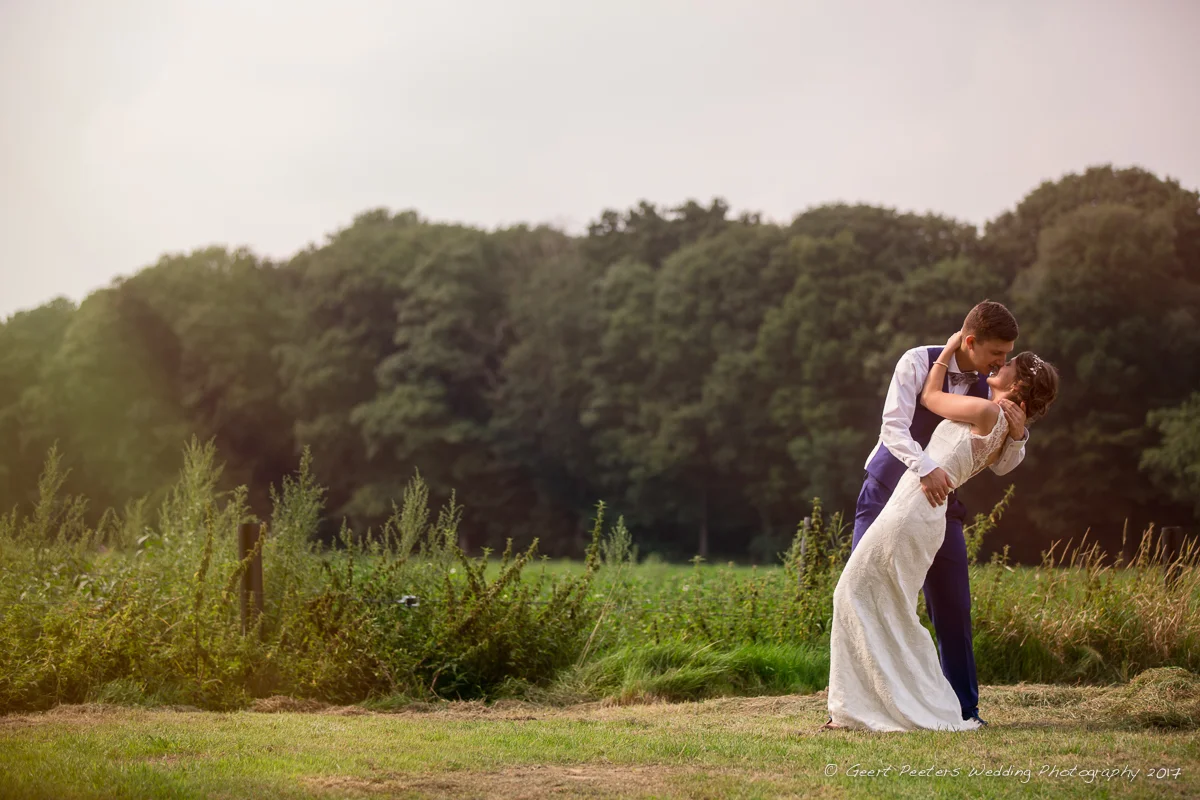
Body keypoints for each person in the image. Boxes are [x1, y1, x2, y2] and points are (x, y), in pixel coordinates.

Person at [823, 318, 1059, 731]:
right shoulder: (918, 360)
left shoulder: (992, 397)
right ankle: (855, 706)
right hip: (887, 491)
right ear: (972, 341)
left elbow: (1000, 463)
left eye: (1006, 359)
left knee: (951, 606)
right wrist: (926, 466)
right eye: (997, 354)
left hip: (934, 503)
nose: (998, 363)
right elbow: (893, 429)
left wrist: (1019, 439)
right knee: (864, 592)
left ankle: (962, 707)